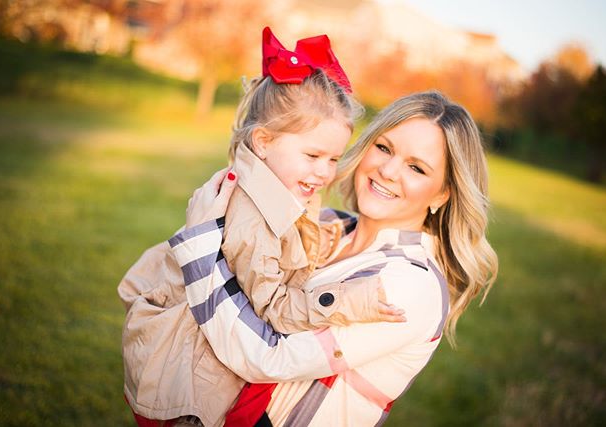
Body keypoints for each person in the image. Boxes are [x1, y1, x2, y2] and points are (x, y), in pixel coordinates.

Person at [118, 27, 404, 427]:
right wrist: (350, 301)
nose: (323, 172)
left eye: (333, 159)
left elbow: (293, 248)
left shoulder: (281, 185)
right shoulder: (254, 220)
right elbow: (274, 309)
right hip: (194, 384)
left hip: (208, 362)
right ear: (264, 141)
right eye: (313, 155)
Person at [170, 91, 499, 426]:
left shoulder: (411, 285)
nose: (387, 170)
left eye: (416, 168)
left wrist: (200, 250)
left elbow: (270, 358)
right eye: (384, 148)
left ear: (443, 193)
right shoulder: (326, 224)